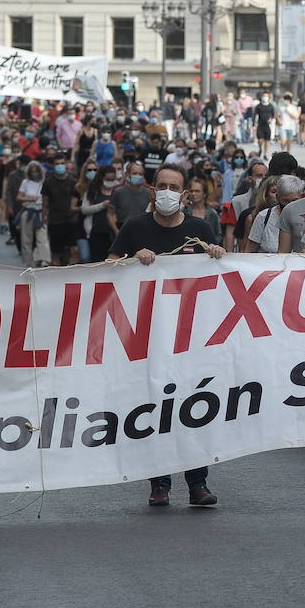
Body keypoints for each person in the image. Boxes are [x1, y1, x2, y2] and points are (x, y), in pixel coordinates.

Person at [107, 164, 226, 509]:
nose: (168, 192)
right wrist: (131, 261)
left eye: (174, 186)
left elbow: (221, 279)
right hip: (149, 337)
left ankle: (197, 484)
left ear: (185, 194)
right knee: (154, 409)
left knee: (193, 409)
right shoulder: (135, 228)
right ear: (152, 191)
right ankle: (159, 483)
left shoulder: (199, 229)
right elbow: (109, 263)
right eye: (162, 185)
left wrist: (216, 256)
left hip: (191, 338)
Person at [78, 164, 120, 263]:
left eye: (112, 179)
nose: (110, 182)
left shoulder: (118, 190)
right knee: (97, 261)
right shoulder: (93, 190)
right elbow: (84, 209)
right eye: (108, 179)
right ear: (101, 177)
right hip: (96, 231)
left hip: (113, 233)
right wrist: (102, 205)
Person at [16, 160, 50, 267]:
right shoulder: (25, 182)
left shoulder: (44, 182)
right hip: (28, 210)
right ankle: (28, 262)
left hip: (41, 211)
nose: (34, 173)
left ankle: (44, 259)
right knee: (26, 238)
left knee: (42, 237)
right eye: (32, 171)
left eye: (36, 171)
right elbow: (19, 197)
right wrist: (30, 199)